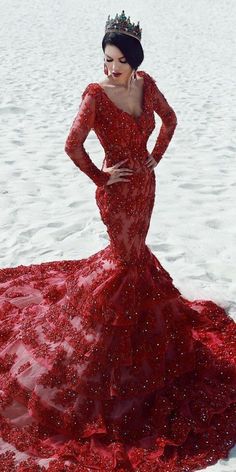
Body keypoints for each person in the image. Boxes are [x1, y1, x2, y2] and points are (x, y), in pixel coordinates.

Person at [0, 9, 235, 472]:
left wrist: (155, 158)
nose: (110, 68)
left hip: (144, 186)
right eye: (106, 59)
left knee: (132, 261)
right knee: (126, 262)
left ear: (134, 60)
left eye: (118, 61)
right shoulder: (95, 94)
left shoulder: (146, 85)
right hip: (116, 191)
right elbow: (72, 144)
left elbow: (170, 120)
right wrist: (101, 178)